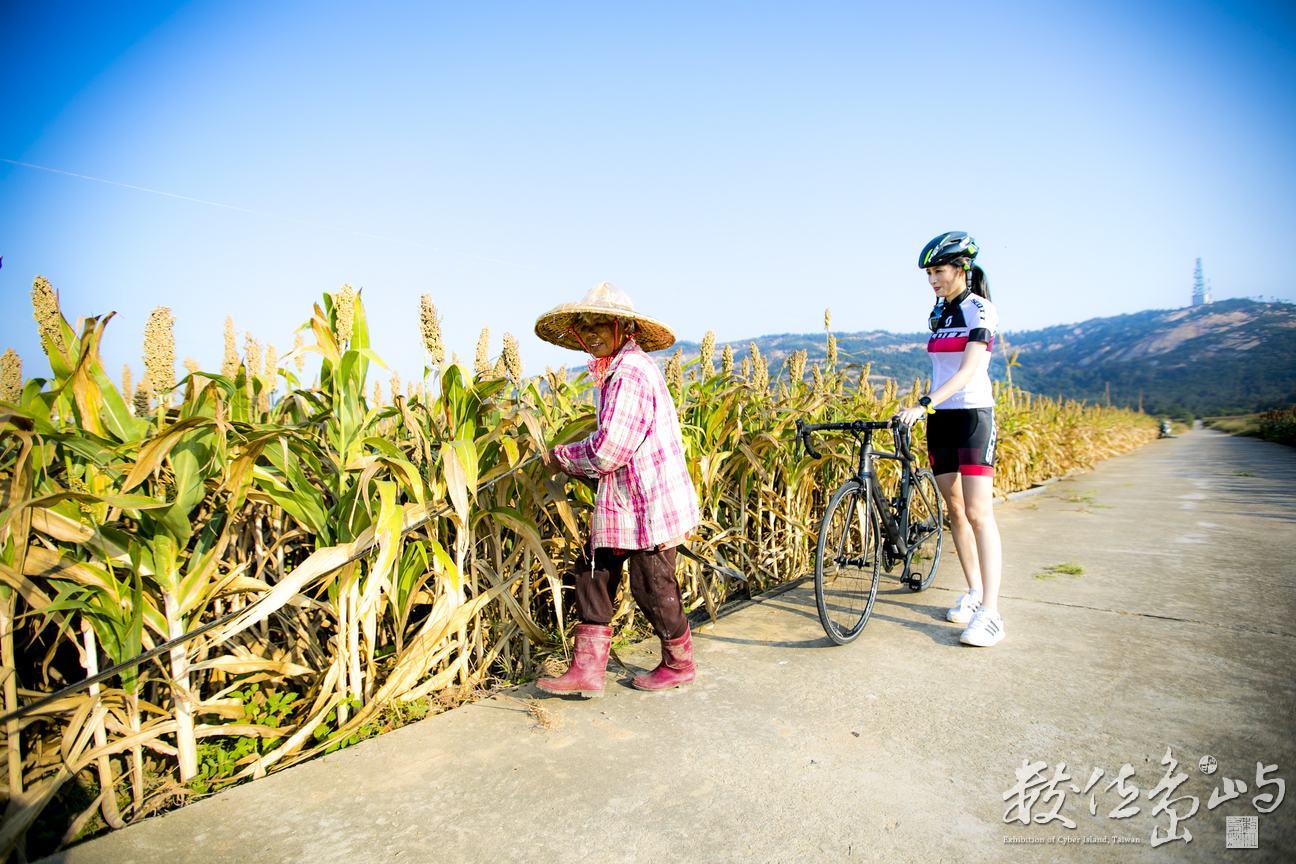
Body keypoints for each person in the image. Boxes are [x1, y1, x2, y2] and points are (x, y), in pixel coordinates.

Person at [532, 282, 701, 696]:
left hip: (648, 505)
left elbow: (609, 451)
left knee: (653, 588)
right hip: (621, 503)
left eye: (598, 324)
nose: (589, 333)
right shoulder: (615, 370)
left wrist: (562, 457)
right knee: (593, 571)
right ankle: (586, 671)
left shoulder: (629, 373)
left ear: (622, 327)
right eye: (583, 326)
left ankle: (680, 664)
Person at [898, 231, 1005, 647]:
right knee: (955, 510)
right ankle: (975, 594)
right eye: (929, 273)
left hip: (973, 417)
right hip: (940, 419)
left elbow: (968, 372)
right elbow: (943, 369)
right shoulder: (939, 313)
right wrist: (927, 408)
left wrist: (923, 402)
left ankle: (992, 613)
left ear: (961, 268)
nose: (932, 280)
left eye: (938, 271)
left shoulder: (982, 310)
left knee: (980, 513)